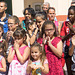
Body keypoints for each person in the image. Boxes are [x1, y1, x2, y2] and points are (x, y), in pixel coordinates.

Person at [60, 6, 75, 75]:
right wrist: (70, 34)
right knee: (69, 70)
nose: (69, 16)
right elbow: (62, 38)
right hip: (67, 48)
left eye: (71, 14)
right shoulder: (65, 24)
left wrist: (73, 30)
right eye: (68, 14)